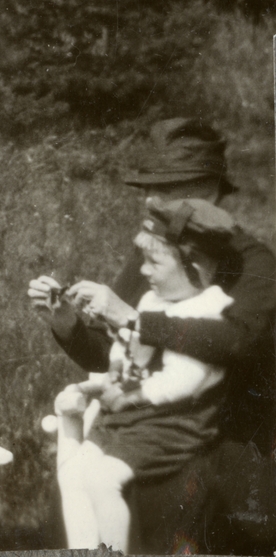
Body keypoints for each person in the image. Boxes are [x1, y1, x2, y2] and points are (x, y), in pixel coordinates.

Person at [29, 118, 276, 554]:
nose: (149, 199)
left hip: (225, 436)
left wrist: (134, 320)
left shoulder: (254, 263)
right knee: (80, 486)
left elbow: (236, 343)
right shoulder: (155, 252)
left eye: (164, 187)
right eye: (147, 187)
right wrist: (67, 322)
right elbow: (112, 354)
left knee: (171, 505)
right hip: (144, 426)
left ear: (207, 189)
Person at [52, 198, 238, 551]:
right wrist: (113, 371)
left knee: (102, 480)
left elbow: (182, 382)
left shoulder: (209, 311)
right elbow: (128, 349)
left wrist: (127, 395)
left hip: (174, 425)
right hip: (133, 419)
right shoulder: (154, 299)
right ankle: (83, 549)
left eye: (154, 262)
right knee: (74, 473)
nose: (143, 271)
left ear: (195, 266)